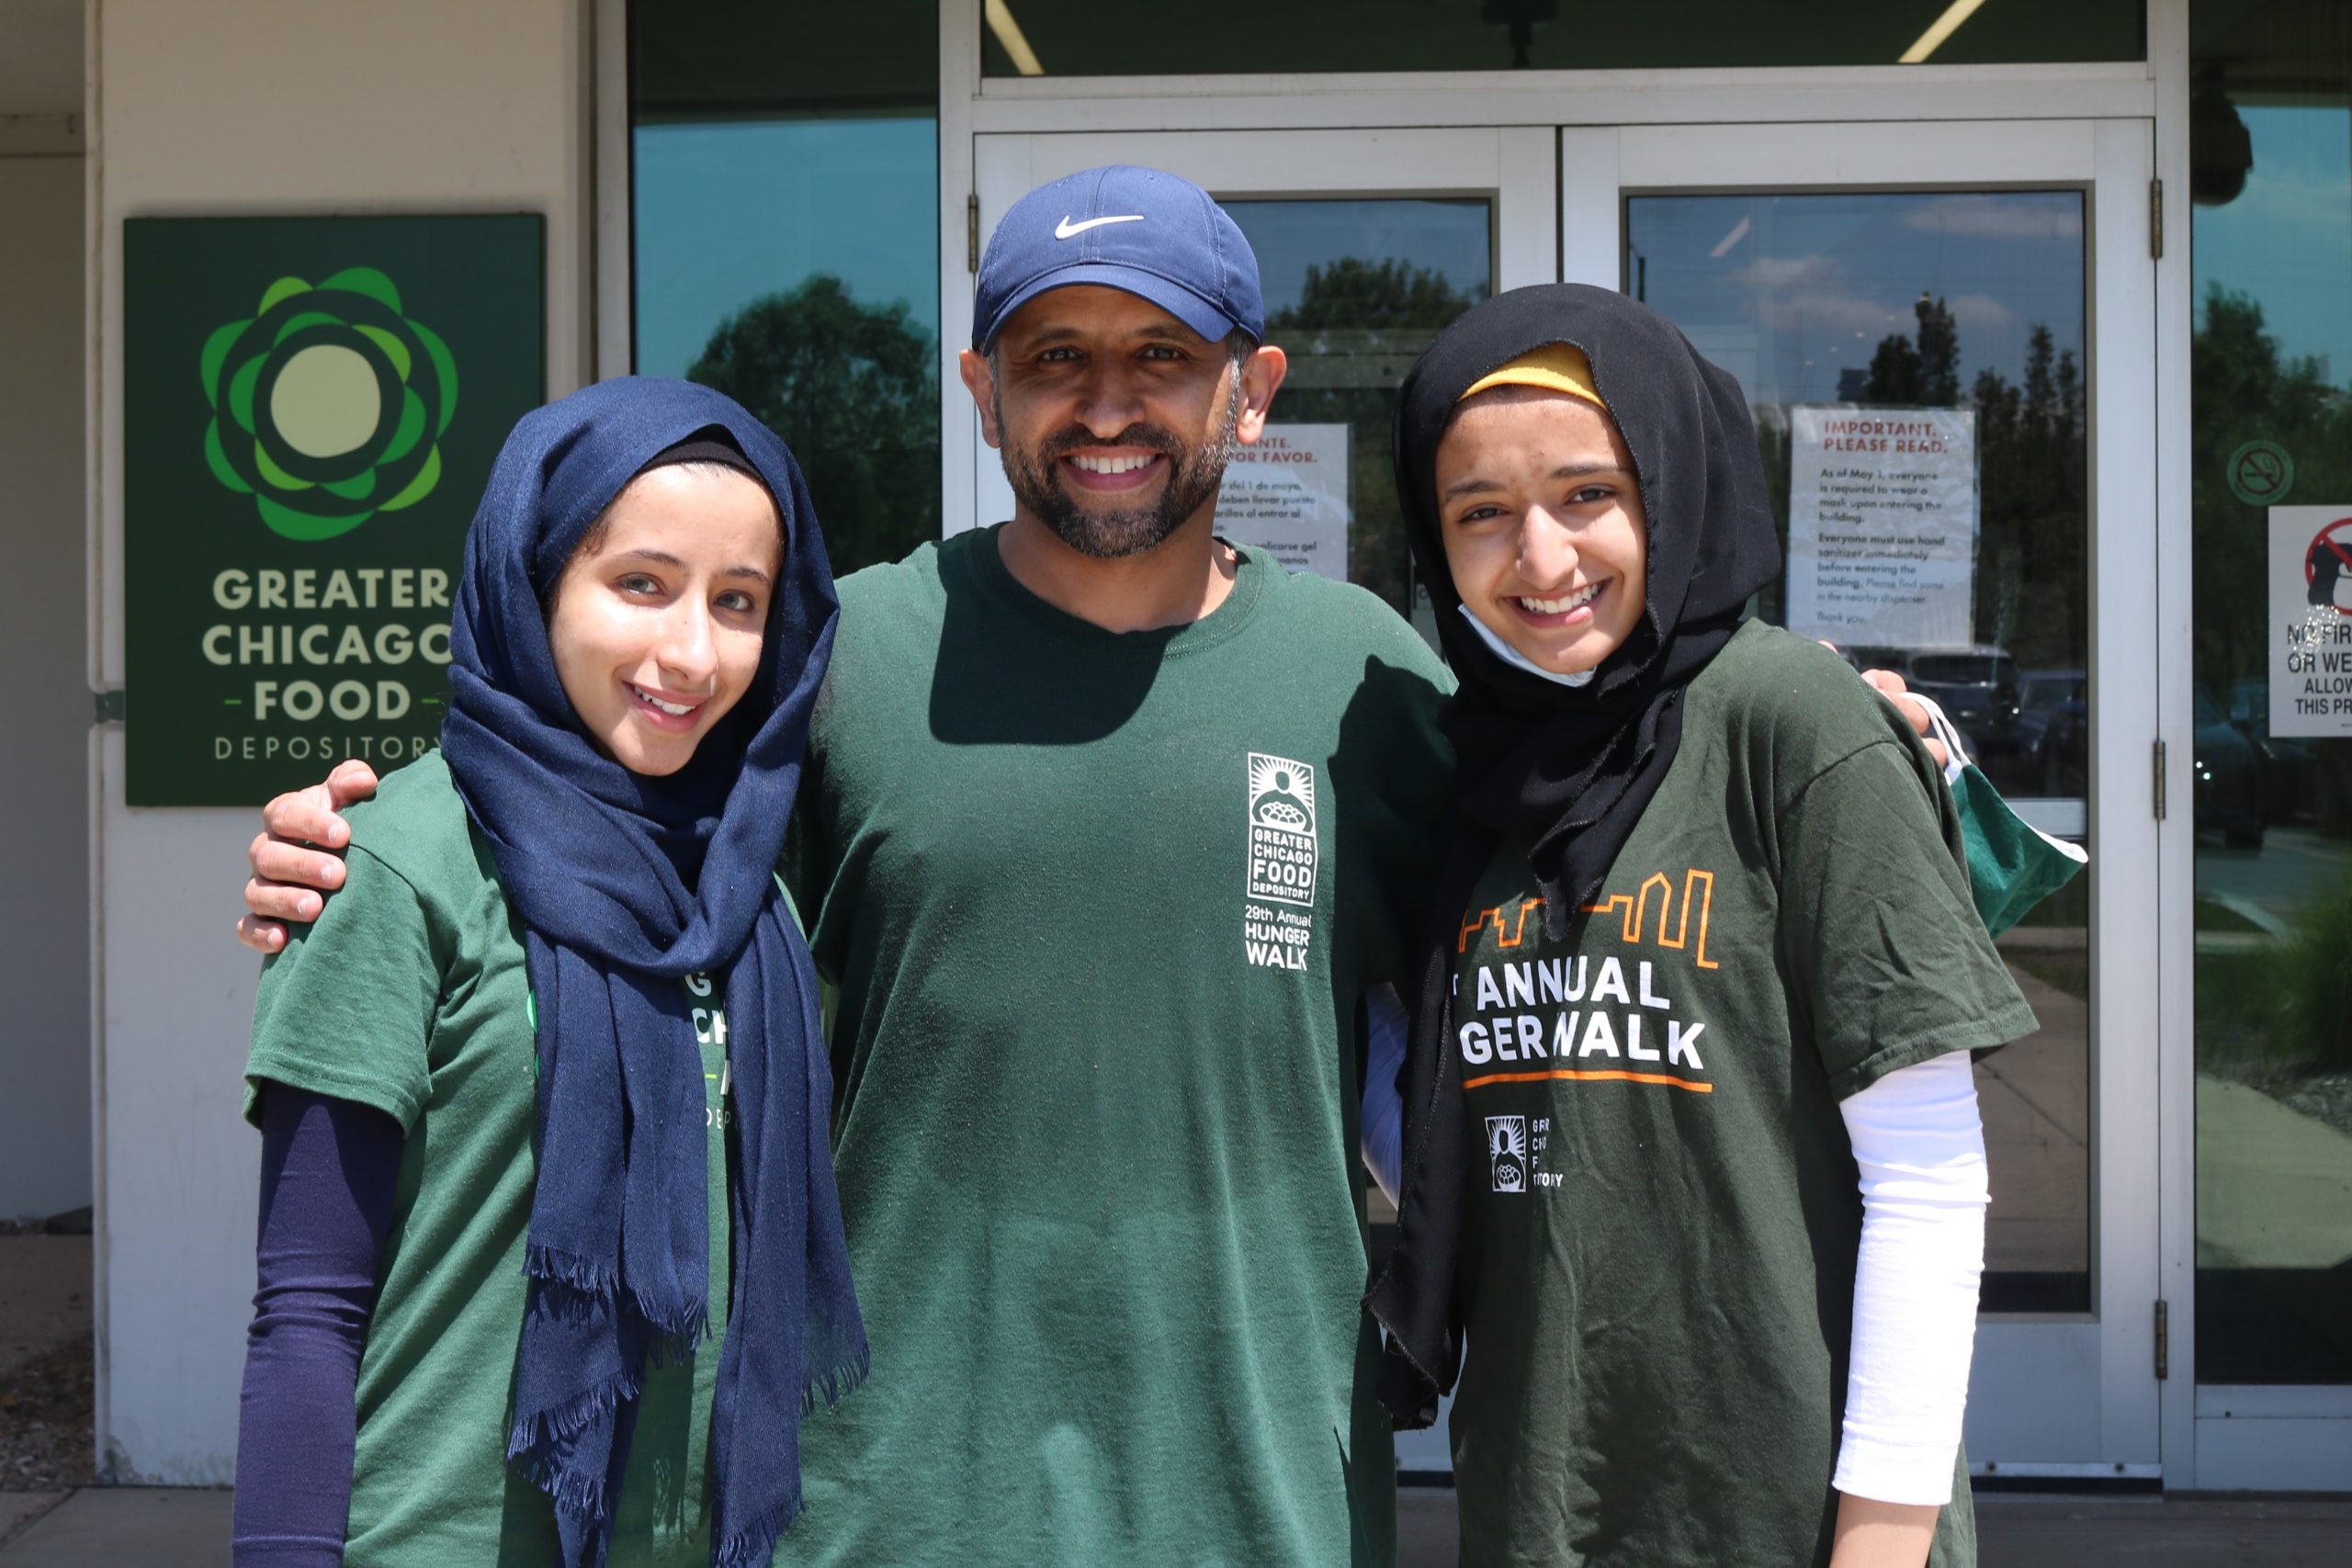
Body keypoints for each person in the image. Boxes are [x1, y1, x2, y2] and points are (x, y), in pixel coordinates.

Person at [235, 169, 1959, 1565]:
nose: (1109, 404)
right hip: (893, 1494)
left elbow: (1593, 759)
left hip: (1265, 1486)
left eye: (1162, 356)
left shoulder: (1380, 689)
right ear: (981, 389)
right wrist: (356, 840)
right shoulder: (845, 664)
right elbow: (606, 809)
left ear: (1253, 393)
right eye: (1055, 358)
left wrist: (1850, 724)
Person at [1366, 285, 2035, 1568]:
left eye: (1587, 496)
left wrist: (1883, 1542)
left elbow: (1929, 1176)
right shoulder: (1475, 783)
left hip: (1789, 1513)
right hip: (1546, 1500)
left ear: (1672, 490)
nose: (1542, 559)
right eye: (1480, 516)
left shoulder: (1793, 726)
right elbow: (1468, 1126)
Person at [230, 378, 864, 1568]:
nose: (691, 650)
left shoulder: (749, 895)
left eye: (739, 602)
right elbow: (306, 1312)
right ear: (534, 580)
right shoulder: (395, 866)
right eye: (641, 584)